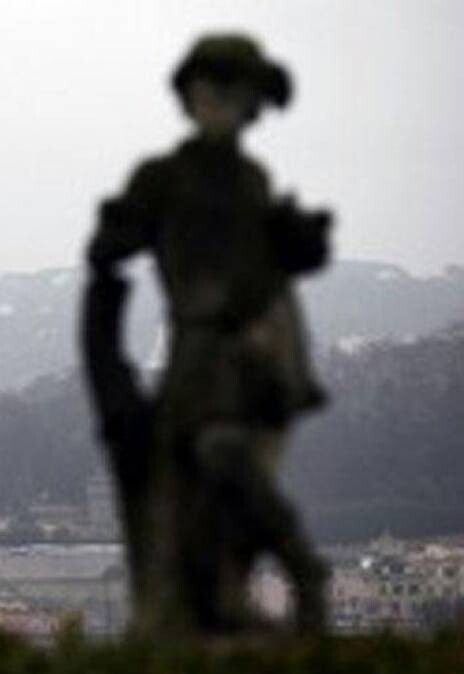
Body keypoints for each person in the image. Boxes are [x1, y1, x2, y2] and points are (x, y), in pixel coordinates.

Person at [83, 34, 331, 633]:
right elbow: (106, 261)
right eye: (212, 89)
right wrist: (111, 378)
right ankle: (279, 571)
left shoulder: (252, 180)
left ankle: (267, 577)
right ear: (192, 96)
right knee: (200, 475)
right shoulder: (166, 179)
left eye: (235, 93)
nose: (223, 104)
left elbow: (264, 271)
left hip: (256, 353)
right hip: (202, 355)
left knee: (218, 474)